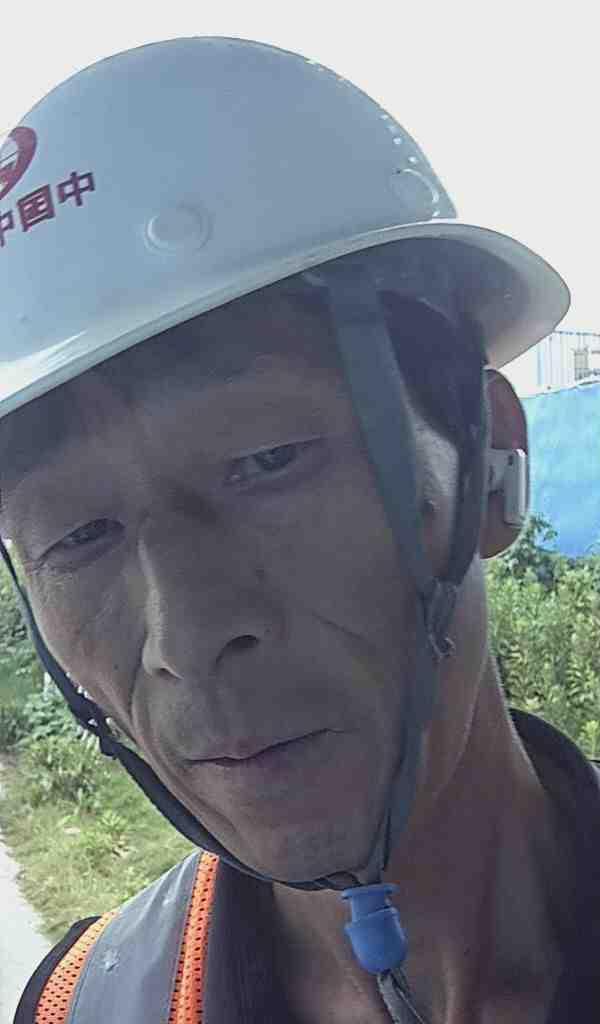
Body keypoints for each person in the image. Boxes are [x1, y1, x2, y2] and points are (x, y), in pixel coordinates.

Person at [0, 37, 597, 1024]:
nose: (190, 637)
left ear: (488, 458)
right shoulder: (80, 1007)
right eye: (77, 537)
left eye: (266, 461)